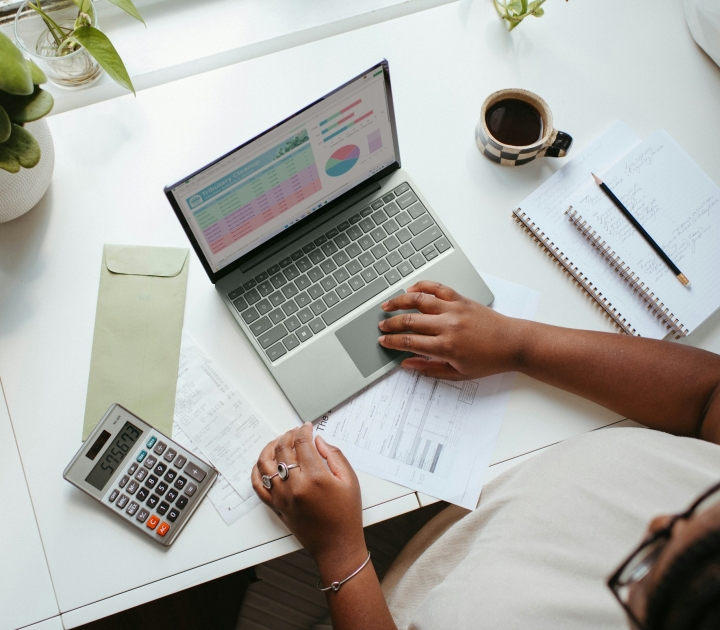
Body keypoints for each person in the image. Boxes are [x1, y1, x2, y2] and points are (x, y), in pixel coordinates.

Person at [251, 282, 720, 630]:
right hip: (471, 510)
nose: (658, 521)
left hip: (375, 583)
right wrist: (520, 344)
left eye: (648, 564)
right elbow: (710, 398)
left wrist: (339, 554)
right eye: (704, 506)